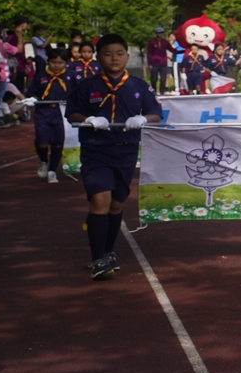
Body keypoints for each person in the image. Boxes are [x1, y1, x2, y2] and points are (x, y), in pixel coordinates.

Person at [65, 32, 166, 280]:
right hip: (96, 151)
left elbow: (156, 112)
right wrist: (88, 118)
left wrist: (143, 118)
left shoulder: (139, 85)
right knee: (100, 200)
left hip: (126, 151)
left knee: (117, 203)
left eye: (119, 53)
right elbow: (72, 112)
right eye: (108, 54)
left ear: (127, 57)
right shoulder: (87, 85)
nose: (114, 58)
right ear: (99, 57)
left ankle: (108, 251)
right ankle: (98, 258)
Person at [30, 48, 72, 183]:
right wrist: (31, 99)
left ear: (65, 63)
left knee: (57, 143)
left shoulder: (70, 76)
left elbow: (79, 93)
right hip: (44, 112)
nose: (56, 65)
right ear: (48, 61)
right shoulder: (41, 76)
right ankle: (43, 161)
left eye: (60, 63)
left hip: (62, 114)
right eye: (53, 62)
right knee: (41, 141)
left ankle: (52, 171)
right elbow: (32, 92)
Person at [145, 28, 174, 94]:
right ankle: (154, 91)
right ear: (156, 33)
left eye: (161, 33)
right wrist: (150, 64)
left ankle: (162, 91)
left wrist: (182, 50)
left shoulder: (165, 42)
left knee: (163, 78)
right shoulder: (152, 42)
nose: (160, 34)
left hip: (163, 63)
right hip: (154, 63)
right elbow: (149, 53)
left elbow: (171, 49)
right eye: (158, 33)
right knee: (154, 79)